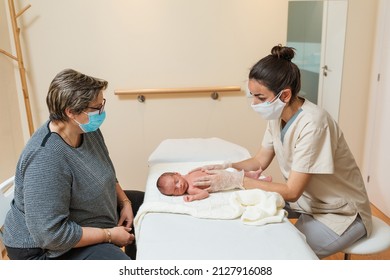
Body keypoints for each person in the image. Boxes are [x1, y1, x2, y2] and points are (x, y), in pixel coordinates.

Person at [192, 45, 372, 259]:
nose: (254, 103)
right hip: (310, 201)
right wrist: (227, 166)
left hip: (341, 212)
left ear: (284, 95)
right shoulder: (278, 116)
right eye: (252, 95)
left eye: (260, 97)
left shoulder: (314, 124)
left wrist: (235, 180)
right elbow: (260, 160)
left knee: (283, 255)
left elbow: (292, 190)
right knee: (248, 222)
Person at [3, 69, 144, 260]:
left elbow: (106, 171)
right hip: (47, 249)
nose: (101, 112)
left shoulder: (86, 129)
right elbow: (52, 235)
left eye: (102, 104)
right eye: (96, 108)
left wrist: (124, 202)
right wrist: (109, 235)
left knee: (144, 206)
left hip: (84, 219)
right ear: (71, 112)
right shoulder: (45, 158)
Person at [157, 169, 271, 202]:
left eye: (176, 182)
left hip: (218, 173)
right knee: (238, 181)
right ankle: (263, 181)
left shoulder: (189, 173)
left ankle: (253, 174)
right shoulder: (191, 189)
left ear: (177, 173)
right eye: (175, 191)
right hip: (222, 182)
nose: (179, 187)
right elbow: (204, 193)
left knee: (234, 173)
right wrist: (194, 197)